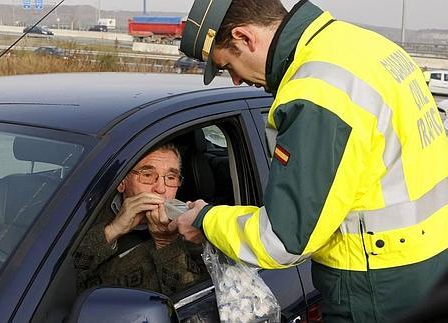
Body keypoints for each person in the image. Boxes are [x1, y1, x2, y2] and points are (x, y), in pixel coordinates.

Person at [170, 0, 448, 322]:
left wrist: (206, 219)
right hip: (429, 265)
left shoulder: (318, 90)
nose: (235, 80)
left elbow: (281, 241)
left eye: (227, 65)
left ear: (245, 38)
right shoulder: (366, 47)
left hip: (373, 285)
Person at [74, 143, 207, 296]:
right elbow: (60, 280)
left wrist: (166, 244)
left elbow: (192, 302)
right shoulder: (84, 215)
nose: (161, 189)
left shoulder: (191, 230)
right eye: (147, 175)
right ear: (122, 182)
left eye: (171, 178)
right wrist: (112, 230)